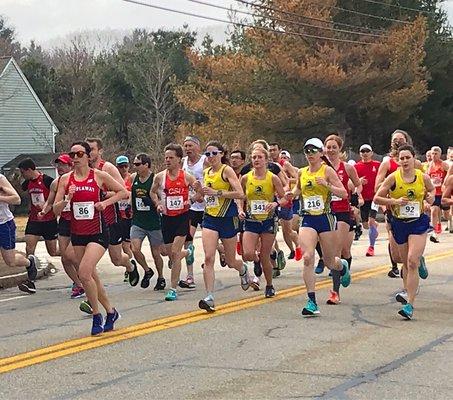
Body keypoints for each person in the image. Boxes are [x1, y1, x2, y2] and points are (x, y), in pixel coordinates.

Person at [54, 141, 127, 335]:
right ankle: (111, 311)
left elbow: (124, 192)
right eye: (72, 155)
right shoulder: (65, 180)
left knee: (84, 273)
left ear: (88, 156)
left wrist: (105, 202)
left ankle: (97, 316)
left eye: (79, 154)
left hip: (98, 232)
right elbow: (55, 209)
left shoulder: (99, 176)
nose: (75, 158)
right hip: (77, 233)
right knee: (92, 277)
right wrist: (66, 200)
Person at [290, 138, 350, 316]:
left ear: (321, 153)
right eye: (307, 151)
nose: (310, 154)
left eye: (313, 151)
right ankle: (311, 301)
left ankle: (342, 266)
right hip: (308, 218)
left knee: (330, 262)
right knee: (308, 257)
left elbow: (344, 193)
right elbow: (298, 190)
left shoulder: (328, 171)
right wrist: (290, 194)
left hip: (326, 218)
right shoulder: (302, 172)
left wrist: (327, 185)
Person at [374, 144, 433, 320]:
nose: (405, 161)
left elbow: (431, 191)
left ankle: (410, 304)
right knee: (405, 263)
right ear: (398, 161)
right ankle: (409, 288)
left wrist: (429, 198)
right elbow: (377, 198)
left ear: (414, 159)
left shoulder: (422, 177)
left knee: (411, 261)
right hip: (399, 223)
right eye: (402, 158)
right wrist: (395, 201)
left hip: (418, 222)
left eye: (408, 157)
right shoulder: (393, 178)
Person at [197, 141, 250, 312]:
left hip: (228, 218)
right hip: (210, 218)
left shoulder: (226, 170)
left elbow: (241, 194)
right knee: (208, 258)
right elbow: (203, 196)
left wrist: (218, 193)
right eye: (207, 154)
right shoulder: (205, 173)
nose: (210, 157)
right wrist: (197, 193)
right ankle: (209, 297)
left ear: (221, 154)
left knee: (230, 260)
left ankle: (242, 269)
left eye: (214, 153)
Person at [150, 143, 202, 301]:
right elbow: (152, 192)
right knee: (167, 253)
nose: (167, 160)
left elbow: (200, 191)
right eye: (166, 157)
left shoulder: (186, 176)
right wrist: (158, 204)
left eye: (171, 157)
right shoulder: (160, 177)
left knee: (174, 252)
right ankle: (188, 252)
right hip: (166, 218)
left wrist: (191, 199)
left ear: (179, 159)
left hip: (182, 217)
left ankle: (173, 289)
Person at [85, 138, 139, 286]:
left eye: (92, 149)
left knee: (116, 259)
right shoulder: (83, 170)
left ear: (100, 151)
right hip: (90, 221)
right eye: (87, 149)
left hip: (110, 219)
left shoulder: (107, 168)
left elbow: (124, 192)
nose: (89, 153)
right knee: (84, 258)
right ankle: (88, 285)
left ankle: (129, 265)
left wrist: (103, 196)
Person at [239, 146, 287, 299]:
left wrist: (275, 204)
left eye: (260, 157)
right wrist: (240, 208)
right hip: (251, 219)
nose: (256, 160)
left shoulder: (272, 177)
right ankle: (255, 264)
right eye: (254, 157)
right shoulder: (246, 178)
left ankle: (269, 285)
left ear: (266, 160)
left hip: (268, 220)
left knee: (265, 254)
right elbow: (240, 196)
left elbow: (284, 197)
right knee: (247, 253)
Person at [375, 130, 421, 278]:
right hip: (393, 208)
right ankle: (401, 263)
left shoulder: (417, 164)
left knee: (411, 250)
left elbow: (426, 186)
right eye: (395, 140)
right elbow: (377, 188)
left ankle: (414, 262)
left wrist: (427, 200)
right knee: (397, 255)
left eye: (401, 140)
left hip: (414, 210)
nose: (398, 143)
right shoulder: (387, 163)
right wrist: (390, 189)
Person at [39, 154, 84, 298]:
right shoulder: (55, 183)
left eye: (63, 165)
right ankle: (79, 284)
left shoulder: (77, 180)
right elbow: (50, 202)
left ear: (70, 166)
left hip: (78, 220)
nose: (60, 168)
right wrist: (44, 210)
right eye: (58, 165)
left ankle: (86, 278)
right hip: (64, 221)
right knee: (65, 257)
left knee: (74, 256)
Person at [324, 134, 361, 305]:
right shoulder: (320, 168)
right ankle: (343, 267)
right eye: (328, 147)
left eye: (334, 147)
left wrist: (356, 195)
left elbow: (357, 184)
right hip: (324, 212)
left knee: (338, 251)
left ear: (340, 149)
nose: (330, 150)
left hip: (342, 212)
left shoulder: (347, 168)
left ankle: (335, 292)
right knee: (331, 254)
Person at [130, 153, 165, 290]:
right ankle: (147, 270)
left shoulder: (155, 179)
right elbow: (131, 194)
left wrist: (153, 203)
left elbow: (162, 197)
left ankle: (161, 277)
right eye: (134, 164)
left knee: (156, 253)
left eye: (138, 164)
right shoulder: (134, 178)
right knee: (135, 249)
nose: (135, 167)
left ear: (146, 165)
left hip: (153, 221)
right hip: (138, 221)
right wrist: (129, 207)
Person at [0, 173, 39, 294]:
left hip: (3, 224)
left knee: (10, 261)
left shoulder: (0, 179)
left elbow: (16, 199)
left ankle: (29, 263)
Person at [180, 135, 208, 289]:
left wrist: (200, 195)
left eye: (191, 146)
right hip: (190, 207)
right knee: (188, 241)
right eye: (186, 146)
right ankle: (190, 276)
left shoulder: (205, 161)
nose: (188, 149)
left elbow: (210, 181)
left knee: (208, 241)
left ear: (198, 147)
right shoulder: (183, 162)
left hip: (206, 207)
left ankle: (222, 251)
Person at [18, 158, 59, 258]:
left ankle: (71, 255)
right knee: (29, 249)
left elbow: (57, 198)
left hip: (49, 220)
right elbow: (24, 193)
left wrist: (47, 206)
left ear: (29, 170)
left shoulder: (47, 180)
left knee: (53, 252)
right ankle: (31, 269)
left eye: (23, 172)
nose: (22, 175)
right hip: (34, 220)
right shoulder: (27, 183)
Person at [354, 144, 381, 257]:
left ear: (371, 152)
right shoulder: (356, 166)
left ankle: (371, 247)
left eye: (367, 151)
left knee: (370, 222)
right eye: (362, 151)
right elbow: (353, 182)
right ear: (360, 153)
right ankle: (375, 227)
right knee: (366, 225)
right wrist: (359, 181)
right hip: (363, 199)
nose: (365, 153)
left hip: (375, 197)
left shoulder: (377, 165)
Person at [278, 150, 302, 261]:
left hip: (291, 199)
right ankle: (290, 250)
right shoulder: (267, 166)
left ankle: (298, 246)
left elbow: (298, 180)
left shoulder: (287, 166)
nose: (284, 159)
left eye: (285, 157)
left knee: (290, 229)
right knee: (281, 230)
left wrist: (286, 181)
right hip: (274, 200)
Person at [115, 155, 135, 271]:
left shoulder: (131, 178)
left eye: (126, 166)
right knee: (125, 245)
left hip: (129, 216)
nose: (124, 169)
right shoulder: (114, 179)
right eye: (121, 166)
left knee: (126, 245)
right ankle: (130, 265)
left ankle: (130, 268)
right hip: (118, 215)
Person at [426, 146, 449, 243]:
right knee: (434, 211)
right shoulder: (428, 166)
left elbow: (450, 175)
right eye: (432, 153)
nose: (434, 155)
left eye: (436, 153)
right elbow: (426, 178)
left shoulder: (444, 165)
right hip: (434, 193)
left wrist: (445, 184)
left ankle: (450, 222)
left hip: (443, 193)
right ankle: (434, 233)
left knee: (447, 214)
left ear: (440, 154)